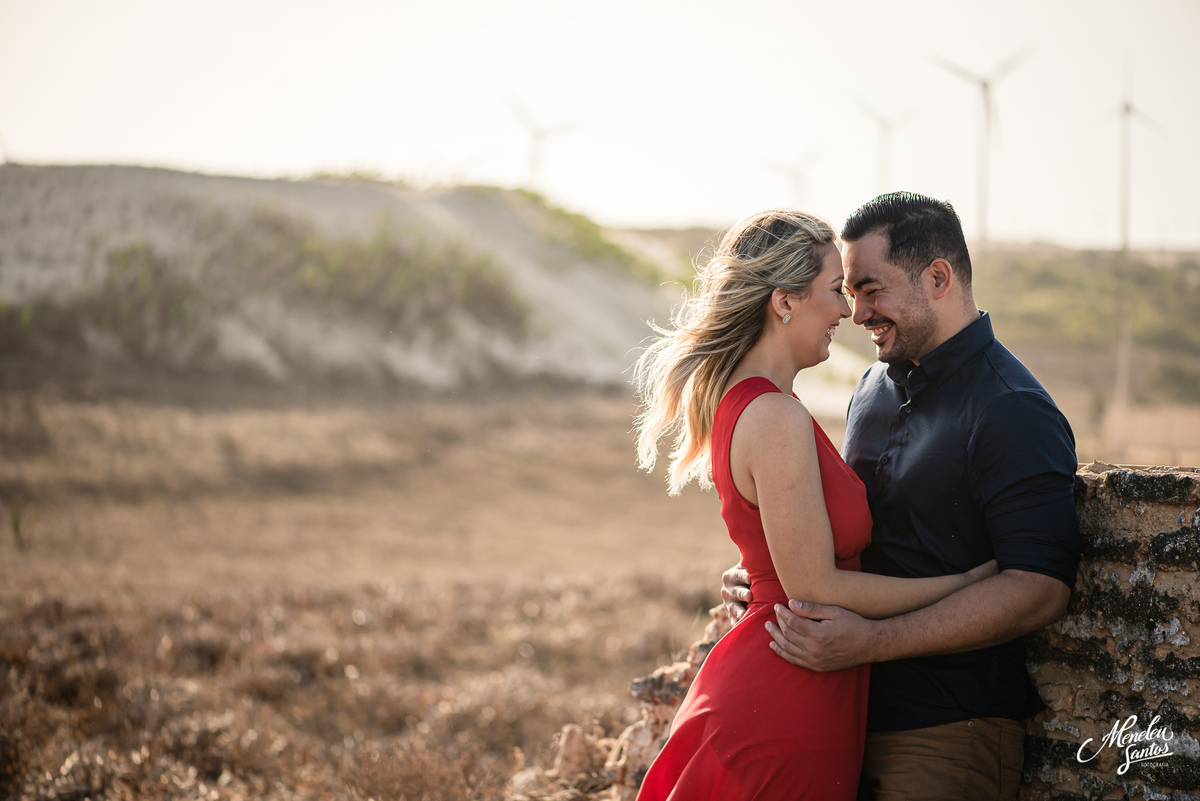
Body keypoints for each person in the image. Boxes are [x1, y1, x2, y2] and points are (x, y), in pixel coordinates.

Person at [721, 192, 1081, 800]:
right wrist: (769, 575)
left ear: (938, 278)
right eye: (848, 291)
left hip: (946, 729)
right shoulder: (871, 388)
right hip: (841, 711)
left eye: (871, 290)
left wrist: (875, 642)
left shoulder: (1012, 408)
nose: (856, 313)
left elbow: (1040, 588)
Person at [632, 208, 997, 800]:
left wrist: (763, 576)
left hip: (796, 677)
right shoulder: (775, 416)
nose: (846, 312)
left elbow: (784, 559)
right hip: (787, 692)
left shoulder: (753, 403)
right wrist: (964, 585)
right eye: (835, 291)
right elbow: (815, 587)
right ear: (784, 302)